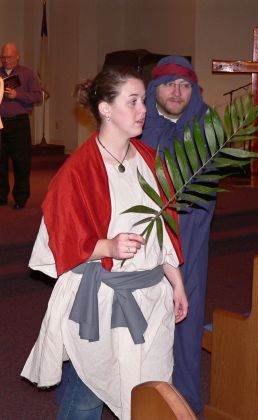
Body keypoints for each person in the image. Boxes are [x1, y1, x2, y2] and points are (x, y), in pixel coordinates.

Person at [21, 67, 188, 420]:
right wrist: (108, 247)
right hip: (102, 300)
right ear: (106, 109)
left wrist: (176, 281)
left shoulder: (148, 160)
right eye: (133, 101)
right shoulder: (78, 170)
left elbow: (163, 232)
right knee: (90, 392)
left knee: (151, 384)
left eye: (143, 100)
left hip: (150, 298)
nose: (143, 109)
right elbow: (58, 241)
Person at [141, 55, 216, 415]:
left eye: (184, 85)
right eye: (169, 83)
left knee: (185, 319)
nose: (177, 91)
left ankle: (183, 401)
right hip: (141, 240)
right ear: (155, 87)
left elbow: (207, 193)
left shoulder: (208, 128)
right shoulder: (137, 125)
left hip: (188, 241)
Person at [0, 42, 42, 209]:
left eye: (9, 57)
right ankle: (1, 196)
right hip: (0, 123)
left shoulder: (27, 74)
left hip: (19, 123)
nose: (5, 60)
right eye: (3, 57)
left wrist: (18, 95)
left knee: (21, 162)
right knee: (0, 162)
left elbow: (38, 95)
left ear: (17, 56)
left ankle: (20, 198)